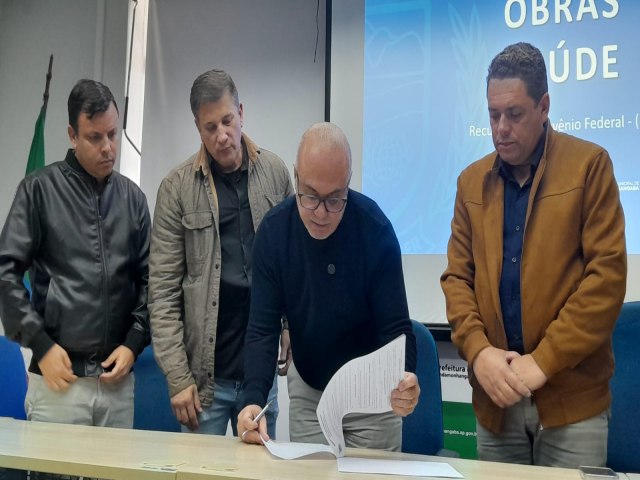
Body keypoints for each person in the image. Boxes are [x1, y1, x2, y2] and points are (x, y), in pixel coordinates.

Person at [440, 42, 627, 467]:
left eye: (515, 114)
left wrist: (542, 362)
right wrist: (479, 352)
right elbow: (457, 280)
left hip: (571, 404)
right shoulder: (471, 183)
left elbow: (606, 279)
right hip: (496, 402)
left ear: (544, 107)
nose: (501, 128)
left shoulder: (589, 166)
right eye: (493, 115)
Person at [237, 122, 420, 451]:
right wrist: (253, 398)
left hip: (373, 398)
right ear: (296, 177)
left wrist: (406, 378)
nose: (321, 213)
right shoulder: (275, 234)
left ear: (348, 184)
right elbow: (262, 329)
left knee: (372, 475)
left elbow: (396, 328)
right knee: (312, 472)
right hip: (311, 392)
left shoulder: (374, 229)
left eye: (335, 199)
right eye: (310, 196)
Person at [149, 69, 293, 437]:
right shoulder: (177, 188)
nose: (222, 135)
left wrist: (290, 326)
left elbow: (293, 266)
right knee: (200, 468)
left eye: (228, 121)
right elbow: (162, 293)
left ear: (241, 112)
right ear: (198, 128)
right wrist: (178, 377)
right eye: (210, 127)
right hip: (203, 382)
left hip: (260, 373)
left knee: (261, 465)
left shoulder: (276, 174)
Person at [0, 79, 151, 428]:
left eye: (112, 134)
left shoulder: (133, 199)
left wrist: (134, 342)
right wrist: (40, 344)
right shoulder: (38, 190)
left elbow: (151, 281)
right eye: (95, 137)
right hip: (58, 383)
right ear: (72, 135)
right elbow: (5, 273)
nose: (108, 148)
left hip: (117, 384)